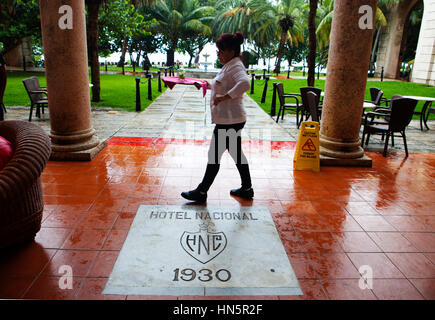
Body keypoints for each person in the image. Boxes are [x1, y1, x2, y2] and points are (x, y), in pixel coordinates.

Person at [181, 31, 253, 203]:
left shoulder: (235, 66)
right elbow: (222, 83)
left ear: (231, 51)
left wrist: (225, 96)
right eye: (218, 51)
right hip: (231, 120)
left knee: (214, 155)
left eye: (221, 51)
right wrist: (206, 85)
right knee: (236, 154)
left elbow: (245, 83)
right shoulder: (230, 64)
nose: (218, 54)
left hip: (230, 121)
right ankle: (247, 188)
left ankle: (202, 191)